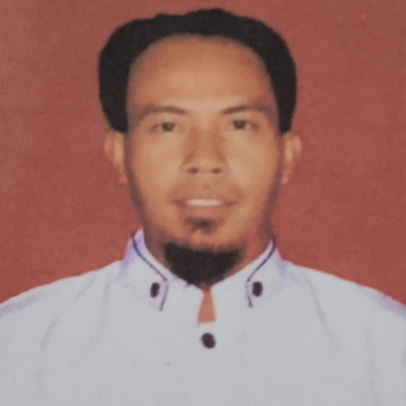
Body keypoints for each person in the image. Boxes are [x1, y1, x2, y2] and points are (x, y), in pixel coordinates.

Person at [0, 8, 405, 406]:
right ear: (120, 155)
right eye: (168, 126)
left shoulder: (386, 346)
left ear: (287, 156)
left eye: (240, 124)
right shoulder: (19, 345)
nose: (205, 159)